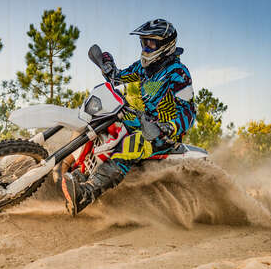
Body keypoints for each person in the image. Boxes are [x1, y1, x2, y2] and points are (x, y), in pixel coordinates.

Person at [62, 18, 196, 216]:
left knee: (132, 144)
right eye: (144, 42)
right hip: (144, 121)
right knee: (103, 120)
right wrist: (106, 64)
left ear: (166, 45)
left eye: (151, 43)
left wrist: (169, 127)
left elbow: (188, 112)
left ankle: (87, 193)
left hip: (163, 135)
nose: (146, 47)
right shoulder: (144, 67)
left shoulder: (178, 73)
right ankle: (75, 167)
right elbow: (117, 77)